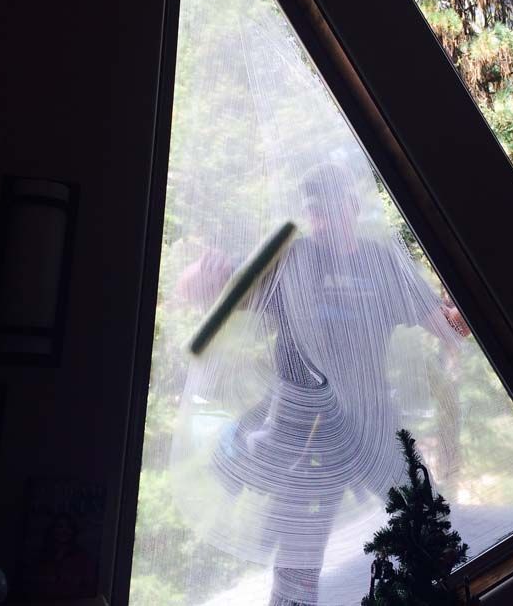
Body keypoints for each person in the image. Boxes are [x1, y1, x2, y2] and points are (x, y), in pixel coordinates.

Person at [176, 163, 467, 606]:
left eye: (331, 207)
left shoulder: (383, 261)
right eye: (315, 210)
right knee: (298, 553)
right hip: (303, 430)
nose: (323, 220)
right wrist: (202, 279)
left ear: (351, 206)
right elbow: (209, 290)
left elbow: (443, 326)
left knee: (425, 522)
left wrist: (462, 318)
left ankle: (453, 593)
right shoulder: (293, 260)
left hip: (369, 418)